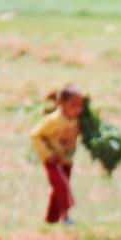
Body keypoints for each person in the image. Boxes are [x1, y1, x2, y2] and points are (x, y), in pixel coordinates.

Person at [31, 84, 83, 225]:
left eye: (80, 106)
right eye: (73, 105)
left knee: (58, 191)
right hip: (53, 160)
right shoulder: (53, 120)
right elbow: (35, 135)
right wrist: (47, 154)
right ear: (61, 103)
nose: (78, 109)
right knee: (62, 185)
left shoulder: (78, 120)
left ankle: (51, 221)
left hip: (67, 160)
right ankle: (66, 218)